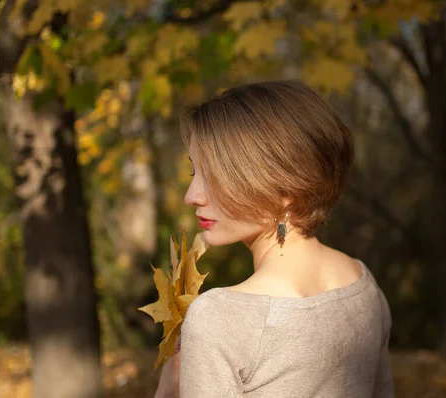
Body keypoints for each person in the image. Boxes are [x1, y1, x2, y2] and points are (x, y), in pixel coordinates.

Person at [154, 80, 394, 398]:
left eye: (214, 176)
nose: (191, 196)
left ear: (284, 190)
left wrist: (167, 387)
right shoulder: (363, 284)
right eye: (193, 173)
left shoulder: (219, 317)